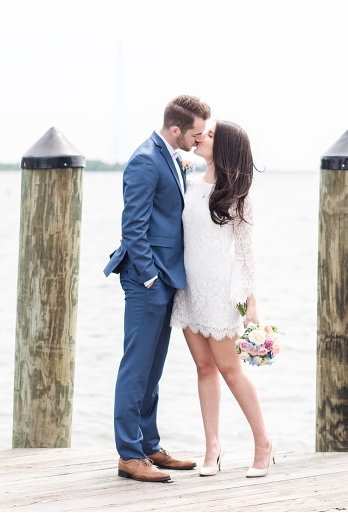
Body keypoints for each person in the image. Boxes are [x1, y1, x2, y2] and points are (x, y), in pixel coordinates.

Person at [104, 95, 211, 483]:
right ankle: (129, 455)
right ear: (175, 129)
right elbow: (133, 226)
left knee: (153, 369)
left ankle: (149, 445)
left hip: (167, 279)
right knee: (136, 368)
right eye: (195, 133)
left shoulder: (170, 156)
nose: (198, 141)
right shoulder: (145, 159)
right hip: (147, 280)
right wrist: (149, 276)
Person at [170, 120, 277, 478]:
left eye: (211, 135)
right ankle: (212, 447)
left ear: (226, 148)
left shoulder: (237, 195)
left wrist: (252, 306)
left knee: (230, 370)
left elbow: (246, 255)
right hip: (189, 289)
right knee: (203, 368)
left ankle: (263, 442)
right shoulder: (188, 184)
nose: (201, 137)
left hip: (220, 291)